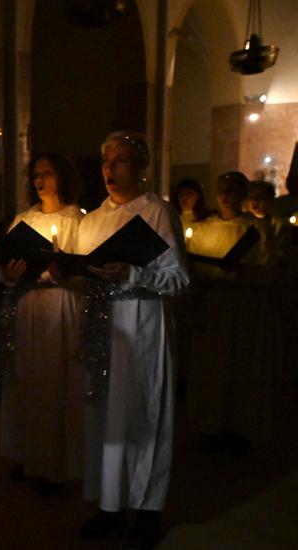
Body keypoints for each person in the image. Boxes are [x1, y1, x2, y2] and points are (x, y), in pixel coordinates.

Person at [72, 131, 188, 549]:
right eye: (105, 161)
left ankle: (148, 510)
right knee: (105, 415)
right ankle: (110, 506)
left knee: (144, 412)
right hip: (104, 322)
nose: (109, 169)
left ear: (140, 166)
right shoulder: (92, 218)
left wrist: (133, 273)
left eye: (120, 161)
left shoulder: (157, 212)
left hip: (143, 323)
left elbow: (178, 279)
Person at [0, 151, 85, 495]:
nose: (39, 179)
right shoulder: (23, 218)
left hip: (61, 307)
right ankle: (27, 456)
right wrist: (9, 273)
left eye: (47, 172)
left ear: (62, 176)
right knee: (27, 381)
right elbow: (6, 260)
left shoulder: (77, 219)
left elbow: (84, 268)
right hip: (28, 305)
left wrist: (61, 272)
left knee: (56, 382)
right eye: (35, 174)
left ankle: (56, 465)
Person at [186, 173, 279, 453]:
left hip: (244, 308)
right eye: (221, 189)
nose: (225, 195)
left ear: (243, 194)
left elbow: (270, 268)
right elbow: (192, 265)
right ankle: (208, 426)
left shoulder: (257, 228)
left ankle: (238, 426)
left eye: (232, 190)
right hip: (213, 305)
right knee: (210, 369)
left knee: (240, 367)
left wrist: (243, 271)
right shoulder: (203, 228)